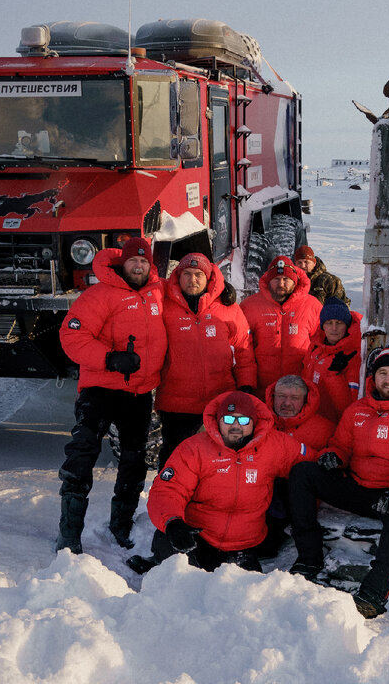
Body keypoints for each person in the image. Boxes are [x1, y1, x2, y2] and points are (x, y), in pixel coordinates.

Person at [287, 347, 389, 618]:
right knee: (303, 472)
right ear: (374, 379)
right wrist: (333, 457)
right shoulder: (359, 408)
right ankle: (308, 559)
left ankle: (375, 590)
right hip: (359, 488)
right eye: (383, 373)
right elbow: (341, 445)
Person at [55, 237, 166, 553]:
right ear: (123, 263)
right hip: (100, 390)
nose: (139, 266)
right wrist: (108, 358)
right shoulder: (100, 294)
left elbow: (192, 291)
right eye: (133, 261)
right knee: (82, 453)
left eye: (144, 261)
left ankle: (121, 525)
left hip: (139, 393)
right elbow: (71, 335)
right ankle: (69, 533)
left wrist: (223, 297)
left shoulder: (159, 292)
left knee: (133, 460)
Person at [131, 390, 311, 574]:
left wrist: (333, 461)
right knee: (176, 566)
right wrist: (173, 522)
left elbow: (310, 463)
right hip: (198, 536)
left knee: (239, 593)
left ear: (254, 421)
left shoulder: (275, 445)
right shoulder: (194, 448)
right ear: (217, 420)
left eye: (243, 420)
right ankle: (160, 563)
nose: (235, 426)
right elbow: (168, 490)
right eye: (228, 420)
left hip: (244, 544)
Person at [154, 252, 257, 467]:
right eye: (187, 274)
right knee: (175, 460)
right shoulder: (164, 305)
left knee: (217, 461)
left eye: (198, 275)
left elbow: (243, 349)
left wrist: (246, 384)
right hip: (176, 402)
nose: (192, 280)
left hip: (218, 400)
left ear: (209, 278)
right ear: (178, 278)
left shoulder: (227, 307)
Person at [258, 374, 336, 557]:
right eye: (281, 397)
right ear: (272, 397)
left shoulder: (324, 429)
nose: (286, 403)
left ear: (305, 400)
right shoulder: (260, 422)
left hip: (294, 496)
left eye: (294, 398)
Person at [241, 256, 322, 392]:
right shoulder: (249, 306)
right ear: (269, 280)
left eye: (286, 279)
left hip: (299, 388)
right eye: (276, 279)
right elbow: (242, 348)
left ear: (294, 281)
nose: (281, 284)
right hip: (262, 387)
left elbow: (320, 345)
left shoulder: (312, 306)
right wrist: (246, 382)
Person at [301, 297, 363, 422]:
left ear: (347, 325)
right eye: (329, 322)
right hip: (312, 419)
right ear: (323, 325)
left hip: (335, 425)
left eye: (339, 323)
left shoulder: (353, 356)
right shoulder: (315, 348)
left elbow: (348, 408)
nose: (334, 328)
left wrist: (335, 376)